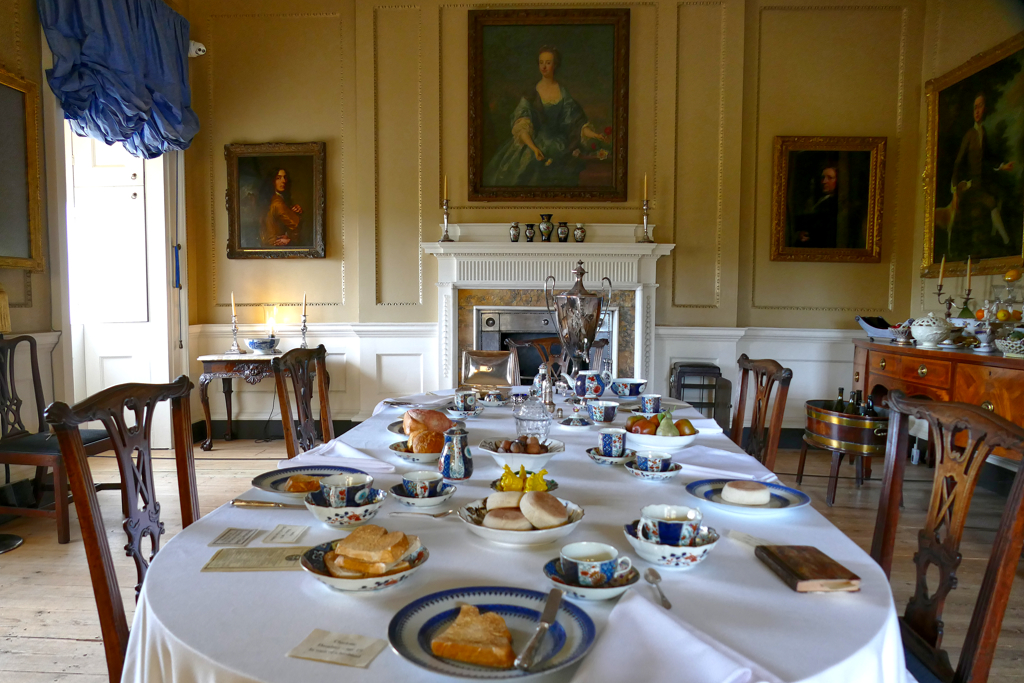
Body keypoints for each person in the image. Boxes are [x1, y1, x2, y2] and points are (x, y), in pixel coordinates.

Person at [483, 46, 609, 187]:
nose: (544, 66)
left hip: (559, 146)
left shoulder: (563, 92)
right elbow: (522, 122)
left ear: (555, 65)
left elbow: (575, 122)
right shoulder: (531, 92)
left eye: (548, 63)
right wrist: (534, 148)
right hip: (532, 144)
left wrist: (593, 134)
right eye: (541, 62)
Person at [950, 93, 1015, 245]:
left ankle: (997, 235)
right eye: (975, 108)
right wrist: (955, 192)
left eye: (980, 107)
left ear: (985, 109)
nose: (977, 111)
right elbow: (958, 162)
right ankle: (1006, 240)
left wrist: (1002, 166)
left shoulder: (983, 133)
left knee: (1000, 195)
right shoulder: (969, 135)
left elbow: (988, 157)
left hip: (981, 183)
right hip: (969, 186)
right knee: (991, 201)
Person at [794, 166, 839, 248]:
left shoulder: (836, 204)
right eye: (823, 178)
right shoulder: (820, 200)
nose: (824, 181)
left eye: (830, 178)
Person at [260, 168, 303, 246]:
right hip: (276, 246)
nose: (283, 181)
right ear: (272, 181)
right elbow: (296, 224)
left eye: (284, 177)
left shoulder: (273, 199)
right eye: (278, 178)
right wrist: (299, 214)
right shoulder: (277, 202)